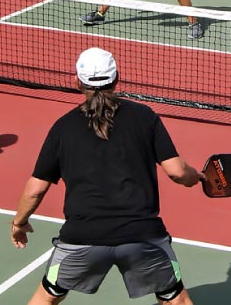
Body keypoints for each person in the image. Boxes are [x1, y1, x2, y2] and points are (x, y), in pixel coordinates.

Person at [11, 47, 201, 305]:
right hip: (142, 236)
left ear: (77, 82)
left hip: (82, 238)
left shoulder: (63, 127)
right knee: (175, 300)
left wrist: (19, 223)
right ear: (117, 78)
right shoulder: (144, 117)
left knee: (45, 298)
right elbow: (178, 172)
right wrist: (198, 177)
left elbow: (36, 188)